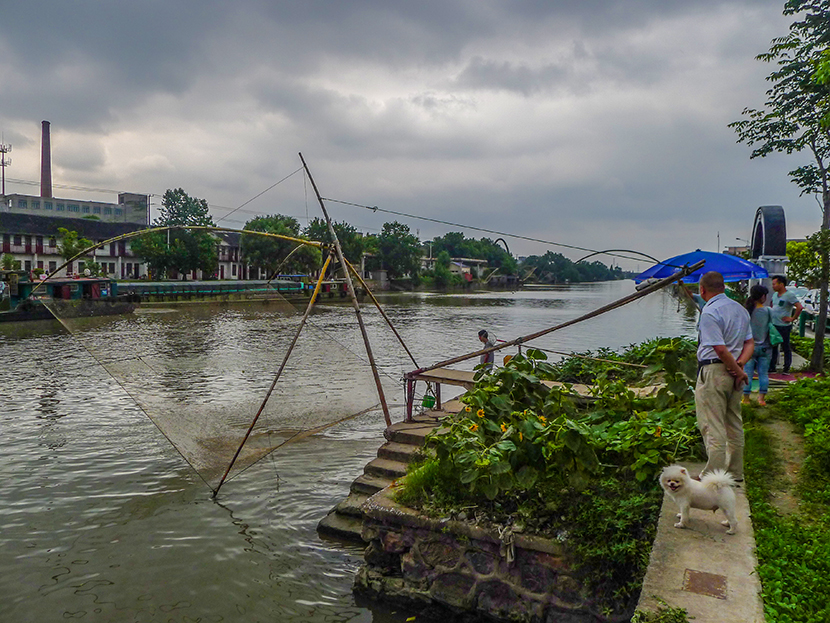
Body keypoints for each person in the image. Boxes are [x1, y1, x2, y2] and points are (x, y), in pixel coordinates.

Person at [695, 271, 754, 480]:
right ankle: (735, 472)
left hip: (714, 371)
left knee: (713, 425)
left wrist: (738, 370)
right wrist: (740, 366)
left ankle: (713, 476)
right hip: (733, 372)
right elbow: (749, 343)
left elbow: (719, 348)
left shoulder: (710, 312)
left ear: (702, 290)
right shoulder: (740, 309)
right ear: (723, 287)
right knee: (734, 423)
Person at [742, 285, 773, 407]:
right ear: (762, 296)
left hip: (749, 347)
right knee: (763, 374)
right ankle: (761, 400)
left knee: (747, 373)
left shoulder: (746, 311)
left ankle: (746, 399)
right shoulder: (768, 311)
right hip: (765, 347)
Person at [769, 275, 802, 374]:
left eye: (774, 284)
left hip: (784, 326)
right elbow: (772, 305)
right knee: (773, 346)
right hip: (774, 324)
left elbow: (799, 307)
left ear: (781, 284)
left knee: (785, 346)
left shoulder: (789, 295)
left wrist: (792, 318)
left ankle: (786, 367)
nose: (773, 286)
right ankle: (772, 366)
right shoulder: (775, 295)